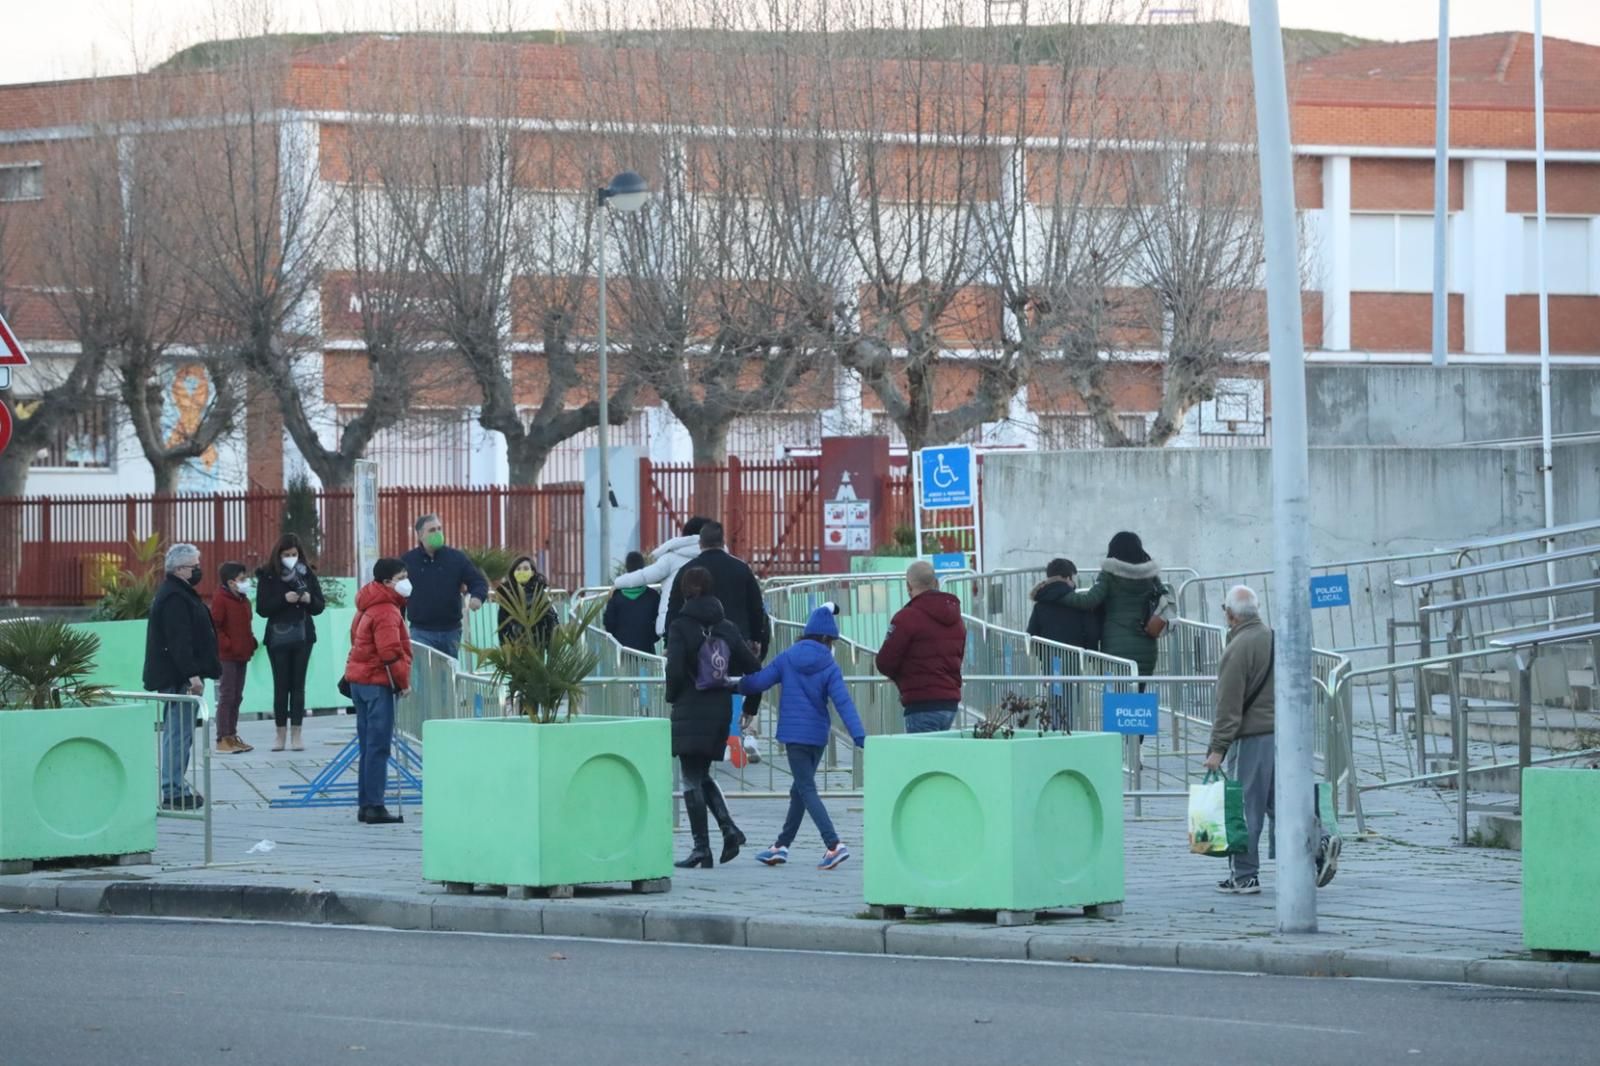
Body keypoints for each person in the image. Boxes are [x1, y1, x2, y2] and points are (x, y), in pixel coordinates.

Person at [1203, 585, 1340, 894]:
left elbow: (1229, 705)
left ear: (1229, 614)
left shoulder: (1237, 649)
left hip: (1253, 739)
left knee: (1246, 809)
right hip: (1286, 737)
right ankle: (1319, 843)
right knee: (1284, 803)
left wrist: (1217, 749)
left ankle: (1245, 875)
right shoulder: (1279, 639)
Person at [739, 604, 864, 871]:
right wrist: (859, 736)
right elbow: (844, 703)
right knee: (800, 790)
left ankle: (833, 844)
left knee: (805, 789)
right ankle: (781, 846)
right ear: (828, 639)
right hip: (817, 737)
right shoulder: (830, 665)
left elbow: (759, 682)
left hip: (794, 736)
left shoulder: (787, 657)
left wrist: (732, 683)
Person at [663, 565, 761, 869]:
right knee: (701, 773)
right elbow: (753, 668)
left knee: (690, 777)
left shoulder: (680, 626)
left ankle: (701, 848)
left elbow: (676, 671)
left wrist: (671, 696)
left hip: (690, 705)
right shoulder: (727, 627)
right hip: (720, 707)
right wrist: (750, 706)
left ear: (684, 591)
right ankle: (729, 830)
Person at [665, 520, 772, 743]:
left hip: (694, 642)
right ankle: (734, 735)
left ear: (700, 543)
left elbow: (673, 608)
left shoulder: (687, 571)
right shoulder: (741, 569)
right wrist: (755, 637)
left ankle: (712, 740)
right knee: (733, 684)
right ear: (723, 542)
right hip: (735, 639)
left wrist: (669, 640)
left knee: (702, 687)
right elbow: (756, 608)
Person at [142, 543, 221, 810]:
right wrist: (192, 675)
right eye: (194, 566)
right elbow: (179, 641)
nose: (198, 570)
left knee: (179, 733)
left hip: (180, 675)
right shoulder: (175, 597)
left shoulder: (179, 593)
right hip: (180, 678)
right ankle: (173, 791)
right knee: (178, 734)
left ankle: (175, 785)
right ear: (179, 569)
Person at [344, 558, 414, 826]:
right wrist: (403, 682)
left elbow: (355, 638)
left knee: (367, 745)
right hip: (378, 682)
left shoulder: (367, 605)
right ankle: (374, 804)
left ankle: (366, 803)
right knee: (378, 746)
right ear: (387, 582)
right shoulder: (387, 610)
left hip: (360, 681)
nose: (406, 582)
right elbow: (390, 652)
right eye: (401, 577)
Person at [255, 533, 327, 753]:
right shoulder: (268, 575)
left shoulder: (307, 573)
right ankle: (280, 735)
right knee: (281, 685)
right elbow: (262, 608)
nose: (291, 558)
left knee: (298, 686)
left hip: (303, 635)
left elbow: (319, 605)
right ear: (278, 554)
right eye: (286, 554)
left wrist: (308, 600)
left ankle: (297, 734)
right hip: (278, 636)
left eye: (294, 554)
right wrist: (283, 600)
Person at [1061, 531, 1168, 679]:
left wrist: (1060, 594)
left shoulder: (1109, 574)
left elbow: (1090, 600)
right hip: (1146, 645)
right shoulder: (1151, 576)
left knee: (1116, 696)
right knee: (1137, 695)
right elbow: (1164, 597)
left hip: (1116, 645)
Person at [875, 559, 966, 733]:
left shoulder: (906, 618)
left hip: (921, 703)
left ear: (909, 587)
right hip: (949, 704)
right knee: (939, 758)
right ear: (937, 583)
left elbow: (885, 662)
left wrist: (900, 677)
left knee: (921, 759)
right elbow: (958, 656)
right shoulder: (957, 620)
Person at [401, 513, 489, 660]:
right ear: (420, 535)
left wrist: (477, 597)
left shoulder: (456, 558)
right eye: (432, 530)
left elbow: (478, 581)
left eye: (439, 529)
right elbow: (396, 591)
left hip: (451, 631)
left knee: (447, 680)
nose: (437, 533)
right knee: (424, 679)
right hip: (421, 631)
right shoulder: (408, 561)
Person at [613, 516, 710, 640]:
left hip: (673, 622)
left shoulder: (671, 558)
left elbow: (644, 576)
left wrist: (618, 582)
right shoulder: (717, 558)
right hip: (708, 624)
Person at [208, 561, 258, 754]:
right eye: (242, 579)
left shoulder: (243, 600)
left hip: (242, 654)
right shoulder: (221, 599)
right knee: (227, 695)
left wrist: (250, 641)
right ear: (230, 582)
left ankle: (232, 735)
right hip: (227, 656)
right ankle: (222, 737)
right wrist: (228, 645)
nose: (245, 582)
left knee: (237, 696)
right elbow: (216, 627)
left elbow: (245, 624)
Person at [1026, 558, 1102, 651]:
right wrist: (1090, 655)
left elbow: (1031, 635)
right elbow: (1092, 634)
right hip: (1076, 658)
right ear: (1068, 578)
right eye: (1074, 578)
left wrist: (1042, 654)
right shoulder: (1079, 603)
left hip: (1049, 660)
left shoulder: (1040, 605)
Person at [605, 551, 661, 654]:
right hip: (646, 651)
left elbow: (609, 623)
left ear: (626, 567)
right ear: (643, 567)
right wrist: (651, 638)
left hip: (622, 650)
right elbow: (659, 621)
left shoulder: (616, 597)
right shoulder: (653, 596)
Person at [497, 555, 558, 647]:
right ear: (513, 572)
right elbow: (502, 623)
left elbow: (551, 620)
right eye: (518, 569)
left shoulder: (540, 594)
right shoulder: (507, 595)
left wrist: (549, 644)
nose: (522, 571)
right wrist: (505, 646)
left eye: (526, 569)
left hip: (537, 645)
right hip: (515, 645)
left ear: (532, 572)